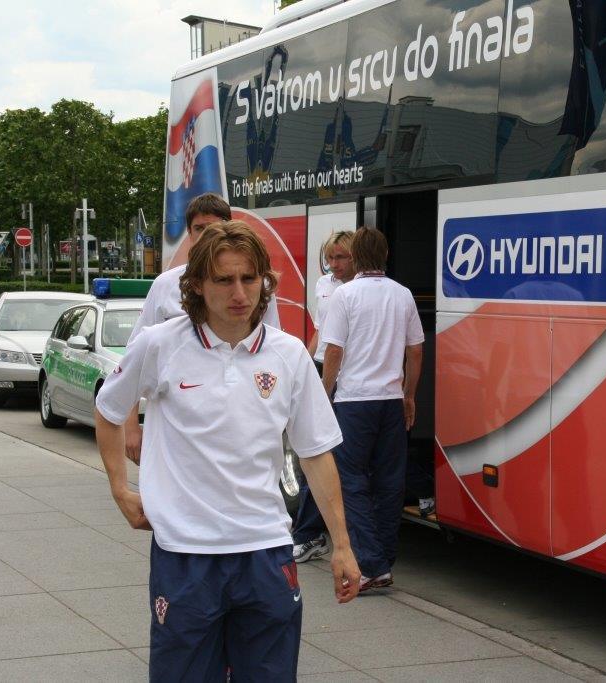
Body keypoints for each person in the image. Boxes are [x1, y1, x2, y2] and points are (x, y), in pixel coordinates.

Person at [94, 222, 360, 681]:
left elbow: (316, 453)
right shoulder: (160, 345)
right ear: (198, 284)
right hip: (185, 554)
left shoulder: (289, 354)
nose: (240, 293)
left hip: (265, 552)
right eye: (224, 280)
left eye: (249, 278)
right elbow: (108, 409)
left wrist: (342, 545)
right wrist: (121, 489)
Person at [123, 192, 280, 464]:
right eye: (199, 228)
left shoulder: (259, 288)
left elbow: (272, 351)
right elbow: (134, 360)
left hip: (240, 416)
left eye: (214, 227)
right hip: (176, 422)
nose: (206, 235)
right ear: (189, 233)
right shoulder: (165, 285)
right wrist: (130, 426)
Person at [321, 227, 424, 591]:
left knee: (351, 481)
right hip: (391, 400)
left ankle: (370, 563)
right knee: (390, 482)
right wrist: (409, 395)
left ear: (357, 256)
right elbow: (415, 351)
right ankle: (383, 559)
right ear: (385, 255)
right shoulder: (403, 294)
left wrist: (324, 393)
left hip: (354, 401)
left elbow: (334, 350)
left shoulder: (345, 294)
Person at [293, 230, 355, 563]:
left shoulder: (357, 289)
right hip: (322, 368)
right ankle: (309, 533)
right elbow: (320, 330)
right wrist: (304, 363)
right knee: (314, 451)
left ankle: (311, 533)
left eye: (341, 257)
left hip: (345, 374)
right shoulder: (324, 284)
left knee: (328, 456)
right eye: (330, 258)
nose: (334, 264)